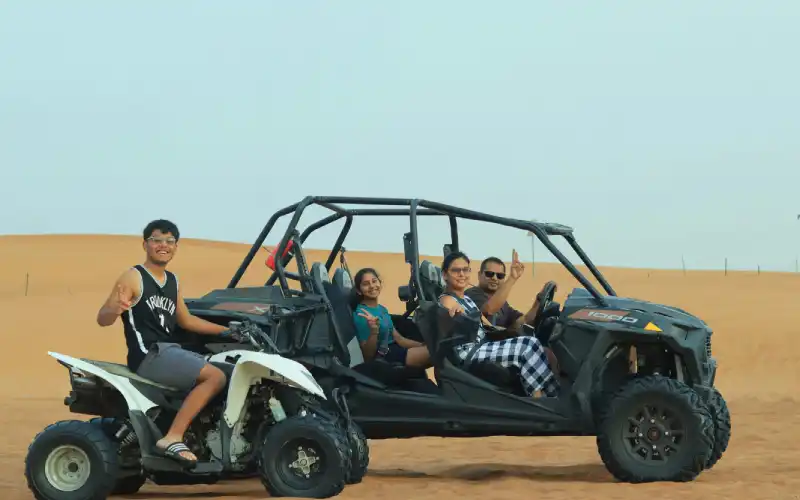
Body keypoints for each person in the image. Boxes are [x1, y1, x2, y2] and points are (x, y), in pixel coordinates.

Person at [96, 219, 239, 468]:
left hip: (171, 351)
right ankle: (172, 437)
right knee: (215, 377)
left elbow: (186, 320)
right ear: (145, 244)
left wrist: (229, 331)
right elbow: (103, 320)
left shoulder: (172, 281)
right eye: (157, 240)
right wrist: (114, 308)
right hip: (149, 354)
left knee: (231, 372)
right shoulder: (133, 277)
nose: (163, 245)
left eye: (169, 241)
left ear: (176, 247)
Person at [437, 251, 559, 398]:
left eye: (465, 270)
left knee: (530, 343)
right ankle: (538, 400)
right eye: (456, 270)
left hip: (482, 345)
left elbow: (487, 325)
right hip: (469, 352)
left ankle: (553, 395)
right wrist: (455, 313)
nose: (462, 274)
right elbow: (451, 313)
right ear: (445, 275)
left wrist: (511, 334)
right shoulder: (449, 299)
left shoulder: (466, 299)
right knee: (528, 345)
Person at [351, 267, 431, 368]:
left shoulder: (382, 309)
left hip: (396, 349)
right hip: (385, 356)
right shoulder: (362, 314)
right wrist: (374, 331)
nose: (372, 286)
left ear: (379, 283)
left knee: (436, 351)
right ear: (359, 291)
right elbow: (368, 356)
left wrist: (422, 345)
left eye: (374, 281)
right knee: (437, 354)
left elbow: (399, 339)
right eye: (366, 284)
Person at [465, 250, 558, 336]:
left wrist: (539, 299)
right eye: (489, 274)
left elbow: (523, 321)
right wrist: (512, 278)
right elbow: (489, 309)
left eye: (500, 276)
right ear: (479, 275)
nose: (494, 278)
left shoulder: (502, 302)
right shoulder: (471, 295)